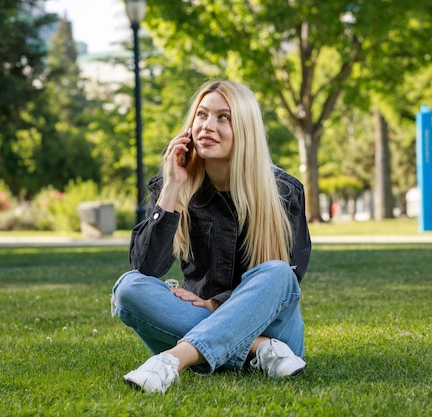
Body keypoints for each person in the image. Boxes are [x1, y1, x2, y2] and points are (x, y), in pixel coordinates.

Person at [111, 80, 311, 394]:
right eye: (201, 115)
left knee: (278, 273)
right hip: (244, 337)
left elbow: (287, 282)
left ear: (245, 129)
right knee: (128, 289)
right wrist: (172, 187)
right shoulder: (173, 185)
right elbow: (145, 268)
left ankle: (171, 361)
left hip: (276, 331)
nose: (207, 126)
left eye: (223, 118)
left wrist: (215, 304)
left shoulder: (283, 191)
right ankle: (258, 352)